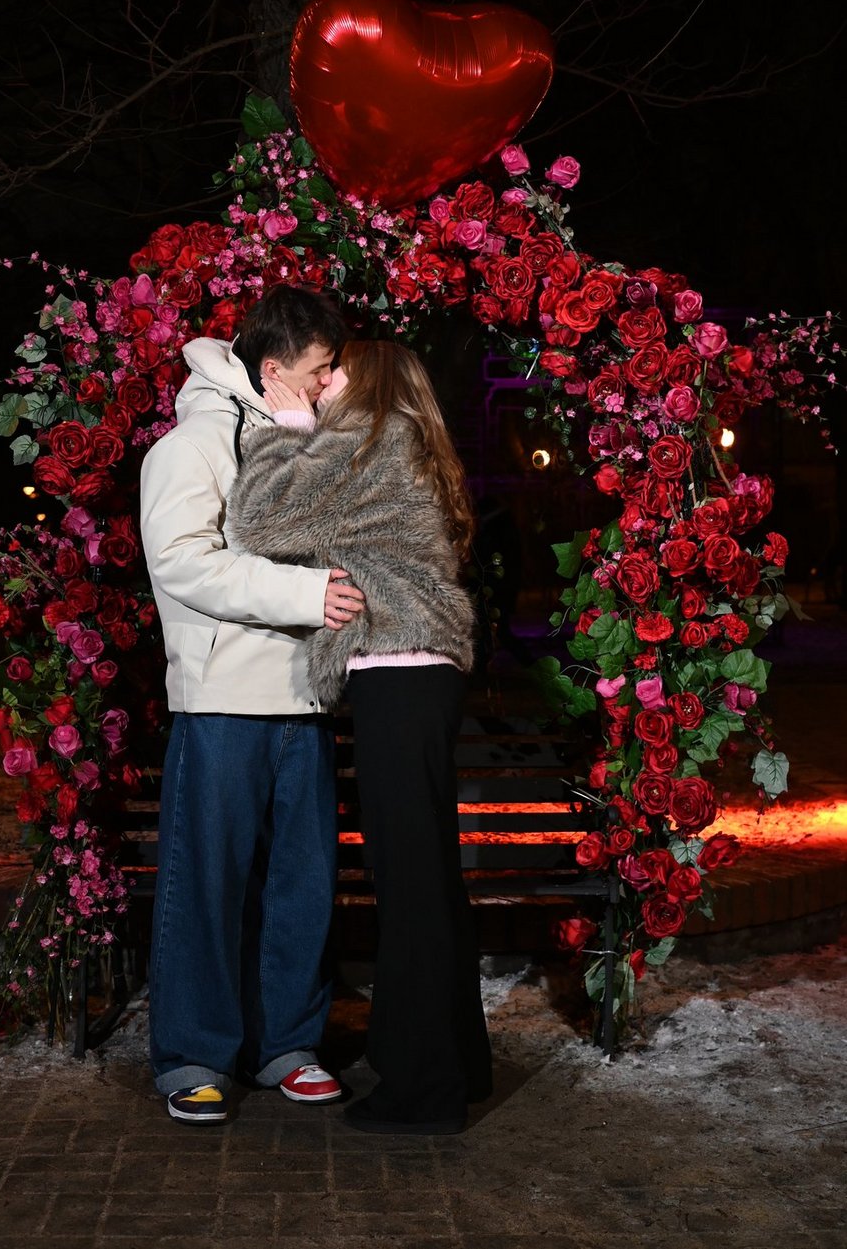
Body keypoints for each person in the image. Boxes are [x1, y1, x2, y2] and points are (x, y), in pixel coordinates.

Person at [225, 339, 494, 1135]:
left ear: (367, 383)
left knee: (408, 887)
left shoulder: (367, 440)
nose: (324, 381)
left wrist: (284, 426)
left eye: (336, 371)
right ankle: (459, 1062)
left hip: (399, 677)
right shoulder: (405, 443)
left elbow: (261, 518)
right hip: (425, 674)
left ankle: (422, 1091)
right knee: (432, 880)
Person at [139, 283, 366, 1124]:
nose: (332, 380)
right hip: (224, 700)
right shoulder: (191, 445)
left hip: (303, 697)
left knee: (301, 883)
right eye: (322, 369)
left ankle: (287, 1043)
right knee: (210, 879)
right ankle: (194, 1052)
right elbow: (184, 564)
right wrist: (307, 593)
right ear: (273, 368)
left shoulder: (299, 437)